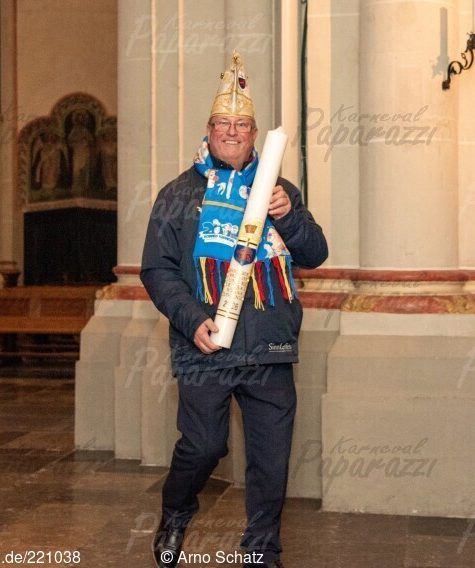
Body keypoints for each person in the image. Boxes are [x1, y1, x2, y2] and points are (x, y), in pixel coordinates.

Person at [140, 51, 328, 568]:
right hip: (205, 346)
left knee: (271, 460)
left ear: (254, 134)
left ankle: (261, 551)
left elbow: (315, 253)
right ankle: (176, 512)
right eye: (222, 123)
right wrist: (191, 320)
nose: (231, 131)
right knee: (203, 447)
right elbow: (157, 271)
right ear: (208, 130)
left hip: (270, 343)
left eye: (241, 125)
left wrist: (290, 219)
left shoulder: (280, 192)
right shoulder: (178, 195)